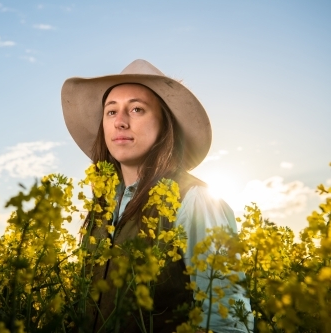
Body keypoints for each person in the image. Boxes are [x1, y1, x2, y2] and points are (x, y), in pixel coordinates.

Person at [61, 59, 253, 333]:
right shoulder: (103, 206)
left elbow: (226, 322)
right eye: (111, 112)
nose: (121, 122)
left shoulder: (195, 199)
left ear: (165, 124)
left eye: (137, 109)